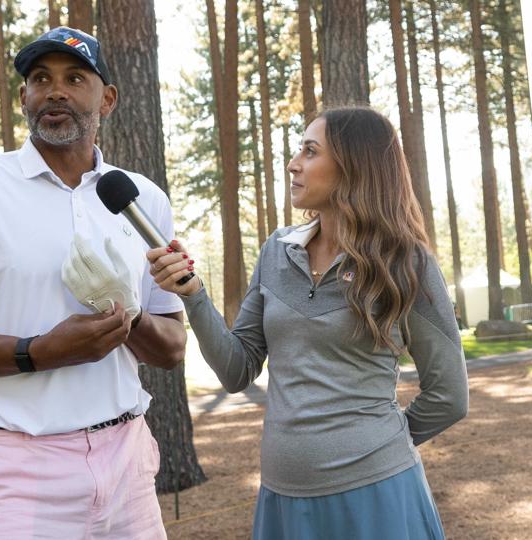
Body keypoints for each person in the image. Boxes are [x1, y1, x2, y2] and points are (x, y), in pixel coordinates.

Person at [0, 26, 187, 539]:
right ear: (23, 97)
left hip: (127, 462)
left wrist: (124, 311)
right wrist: (38, 352)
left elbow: (172, 348)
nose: (55, 91)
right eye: (39, 78)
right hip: (13, 466)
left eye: (75, 78)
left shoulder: (142, 198)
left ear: (108, 99)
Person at [149, 106, 469, 539]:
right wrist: (194, 296)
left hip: (376, 497)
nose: (293, 163)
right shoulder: (276, 251)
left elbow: (449, 395)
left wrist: (373, 445)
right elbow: (235, 369)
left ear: (354, 167)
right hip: (282, 498)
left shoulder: (406, 261)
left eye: (310, 151)